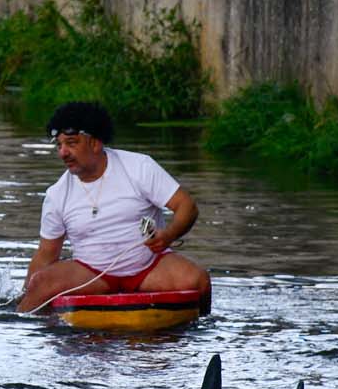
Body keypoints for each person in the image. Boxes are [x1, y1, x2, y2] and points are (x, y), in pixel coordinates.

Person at [17, 102, 211, 315]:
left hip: (148, 267)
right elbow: (46, 254)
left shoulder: (139, 167)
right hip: (91, 274)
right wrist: (26, 294)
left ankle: (199, 330)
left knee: (198, 281)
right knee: (41, 284)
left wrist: (168, 236)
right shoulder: (57, 194)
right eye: (59, 145)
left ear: (95, 143)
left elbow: (187, 207)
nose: (63, 153)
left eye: (71, 143)